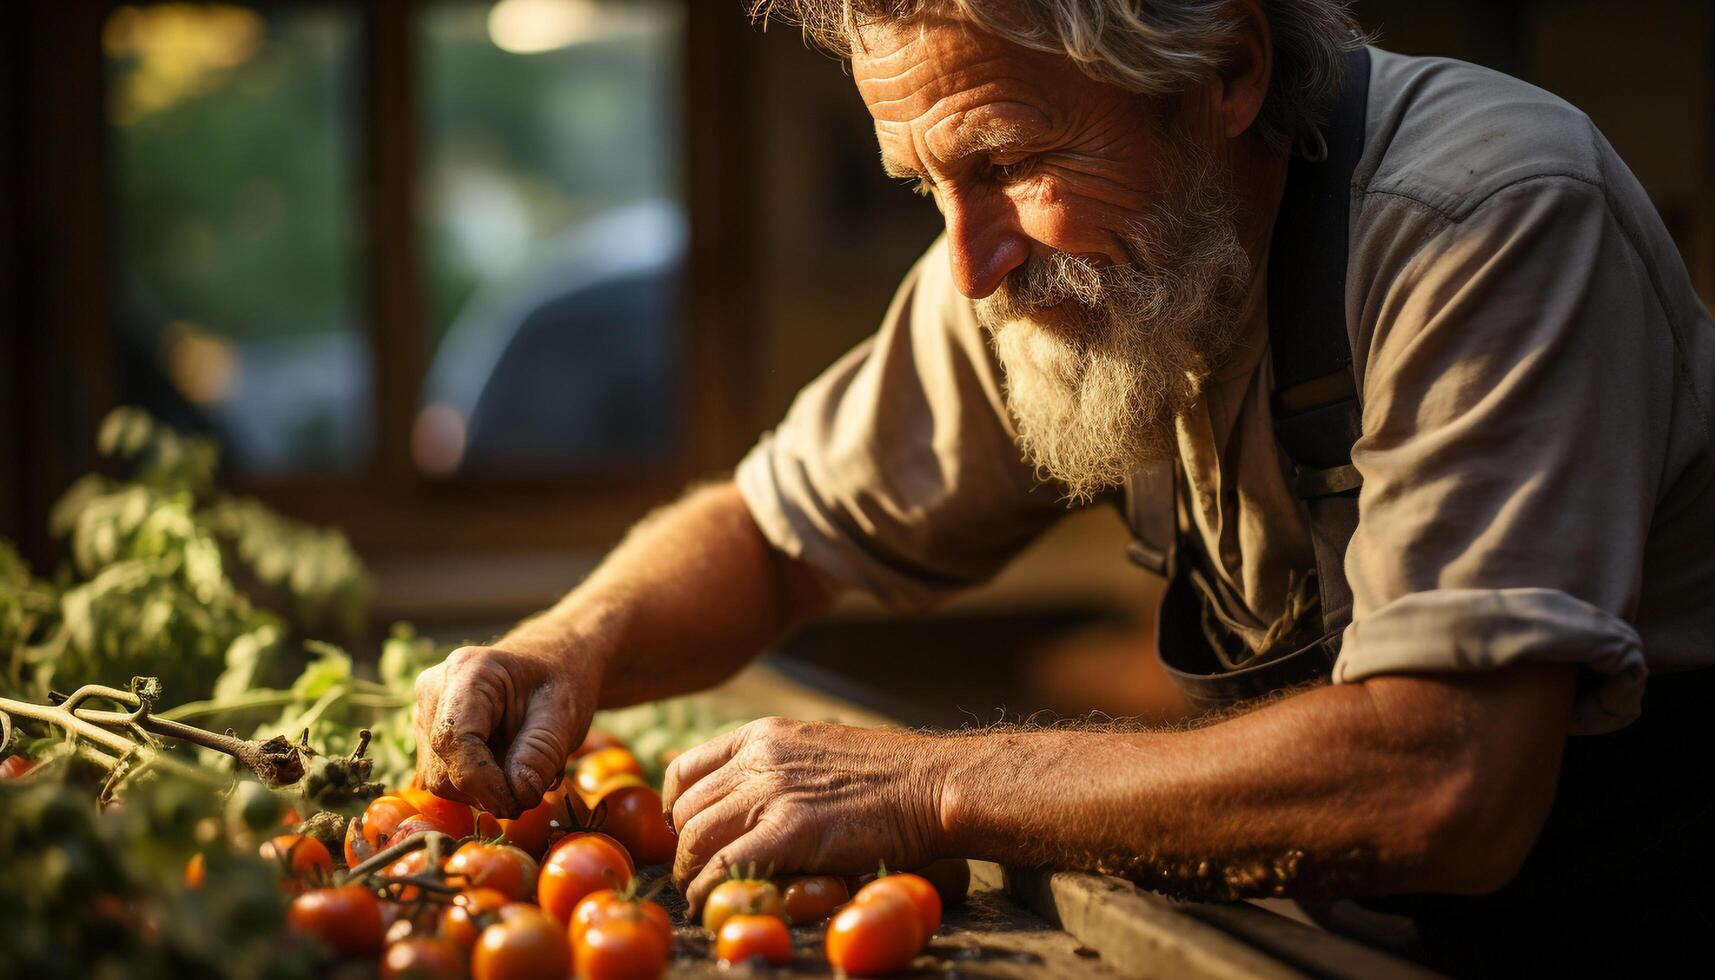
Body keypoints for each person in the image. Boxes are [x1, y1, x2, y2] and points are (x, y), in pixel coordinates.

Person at [413, 2, 1715, 972]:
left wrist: (928, 784)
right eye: (926, 185)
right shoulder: (1036, 268)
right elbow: (771, 533)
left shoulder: (1486, 217)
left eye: (1006, 162)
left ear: (1228, 70)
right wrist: (564, 649)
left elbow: (1449, 780)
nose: (967, 268)